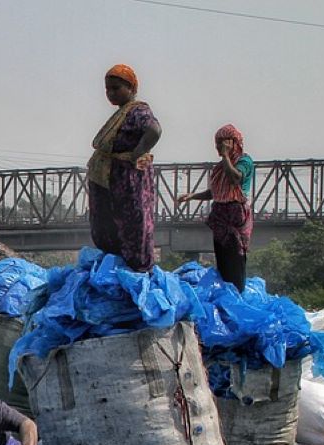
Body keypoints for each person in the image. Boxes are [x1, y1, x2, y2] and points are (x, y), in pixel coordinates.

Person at [87, 64, 162, 272]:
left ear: (131, 88)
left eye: (116, 88)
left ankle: (134, 270)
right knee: (107, 225)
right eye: (107, 89)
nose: (110, 93)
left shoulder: (138, 110)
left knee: (130, 225)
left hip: (126, 182)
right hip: (110, 179)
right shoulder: (121, 113)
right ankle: (114, 266)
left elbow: (154, 130)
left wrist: (137, 153)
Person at [176, 124, 255, 288]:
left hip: (234, 217)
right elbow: (215, 192)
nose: (219, 148)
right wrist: (192, 196)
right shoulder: (221, 167)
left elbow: (235, 178)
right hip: (220, 217)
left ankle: (237, 292)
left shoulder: (244, 161)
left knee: (235, 258)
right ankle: (226, 291)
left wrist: (226, 156)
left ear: (233, 143)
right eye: (217, 144)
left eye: (222, 143)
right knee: (223, 258)